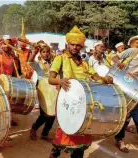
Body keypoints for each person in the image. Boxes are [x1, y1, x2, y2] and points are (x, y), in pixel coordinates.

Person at [48, 26, 113, 158]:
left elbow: (96, 77)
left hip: (83, 102)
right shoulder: (60, 58)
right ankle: (55, 152)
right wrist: (60, 82)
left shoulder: (84, 63)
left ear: (82, 46)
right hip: (65, 101)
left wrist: (105, 79)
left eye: (78, 45)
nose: (75, 47)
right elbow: (50, 79)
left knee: (81, 134)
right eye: (72, 44)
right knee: (65, 133)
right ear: (68, 44)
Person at [111, 35, 138, 153]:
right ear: (132, 44)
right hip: (127, 86)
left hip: (137, 89)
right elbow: (114, 57)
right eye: (136, 42)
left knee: (134, 114)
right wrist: (119, 63)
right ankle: (119, 140)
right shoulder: (133, 51)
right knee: (125, 113)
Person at [28, 46, 56, 142]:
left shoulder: (54, 63)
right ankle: (34, 128)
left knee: (53, 113)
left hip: (54, 90)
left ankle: (45, 134)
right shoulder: (38, 64)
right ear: (40, 53)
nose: (46, 54)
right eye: (43, 52)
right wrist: (34, 53)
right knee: (45, 113)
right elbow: (30, 62)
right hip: (43, 90)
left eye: (47, 51)